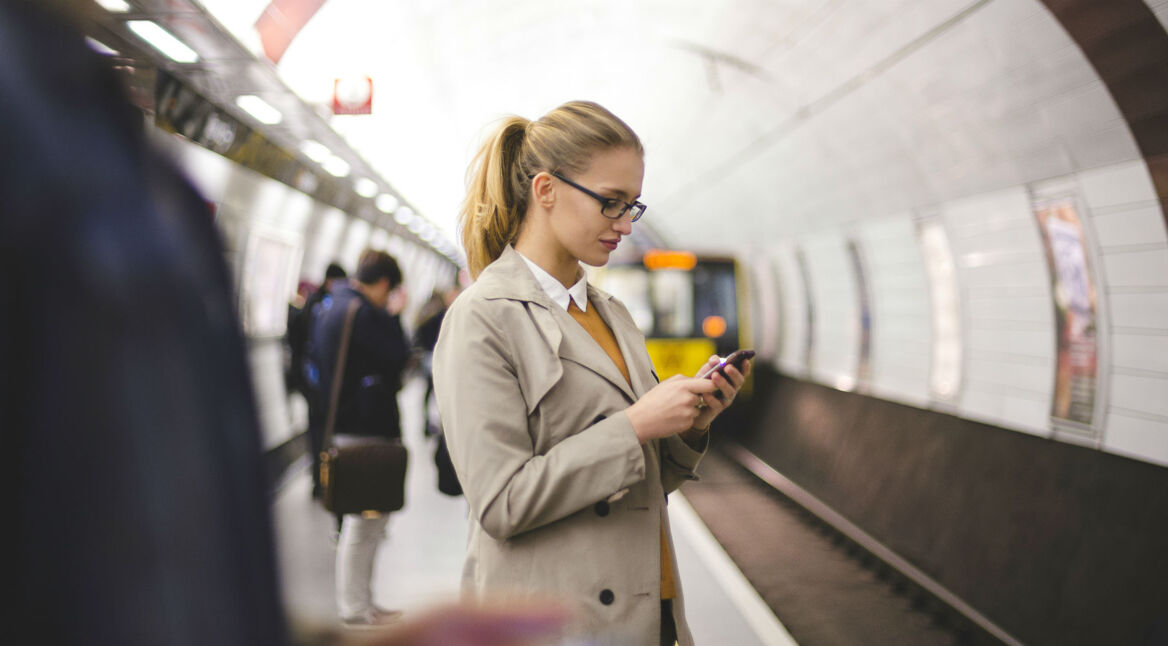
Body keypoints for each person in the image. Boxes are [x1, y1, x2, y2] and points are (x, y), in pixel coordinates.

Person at [432, 101, 752, 645]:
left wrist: (691, 424)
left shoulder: (612, 314)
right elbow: (500, 503)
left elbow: (645, 484)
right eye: (611, 203)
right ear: (545, 190)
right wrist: (635, 425)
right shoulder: (483, 317)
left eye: (633, 206)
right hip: (558, 624)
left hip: (650, 612)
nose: (626, 225)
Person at [309, 249, 411, 627]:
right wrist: (395, 317)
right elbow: (398, 357)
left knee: (362, 519)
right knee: (363, 522)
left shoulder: (334, 306)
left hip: (343, 422)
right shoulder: (366, 314)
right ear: (384, 283)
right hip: (366, 426)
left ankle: (363, 601)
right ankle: (355, 605)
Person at [293, 262, 348, 499]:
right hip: (320, 383)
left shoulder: (311, 304)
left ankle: (318, 477)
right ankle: (322, 478)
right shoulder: (326, 308)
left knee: (316, 430)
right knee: (322, 431)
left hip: (311, 381)